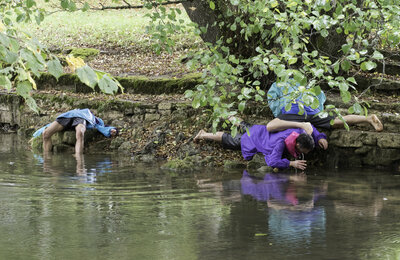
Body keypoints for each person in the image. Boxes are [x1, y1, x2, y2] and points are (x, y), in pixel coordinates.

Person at [194, 120, 327, 170]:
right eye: (305, 150)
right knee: (228, 138)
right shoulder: (280, 144)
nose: (307, 153)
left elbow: (311, 127)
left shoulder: (300, 132)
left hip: (260, 130)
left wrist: (320, 137)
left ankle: (225, 113)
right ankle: (203, 134)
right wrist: (291, 164)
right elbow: (273, 162)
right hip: (252, 140)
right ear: (297, 144)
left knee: (243, 125)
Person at [267, 81, 383, 132]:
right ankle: (367, 118)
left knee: (270, 126)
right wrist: (318, 112)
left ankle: (301, 125)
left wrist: (280, 115)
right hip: (312, 109)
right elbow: (321, 98)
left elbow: (273, 102)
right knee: (337, 121)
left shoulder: (277, 84)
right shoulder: (308, 83)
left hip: (292, 109)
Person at [33, 108, 118, 154]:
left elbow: (102, 126)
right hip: (66, 117)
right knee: (46, 133)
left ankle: (79, 160)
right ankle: (47, 158)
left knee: (80, 133)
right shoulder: (70, 112)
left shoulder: (91, 116)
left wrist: (111, 130)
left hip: (81, 118)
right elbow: (49, 126)